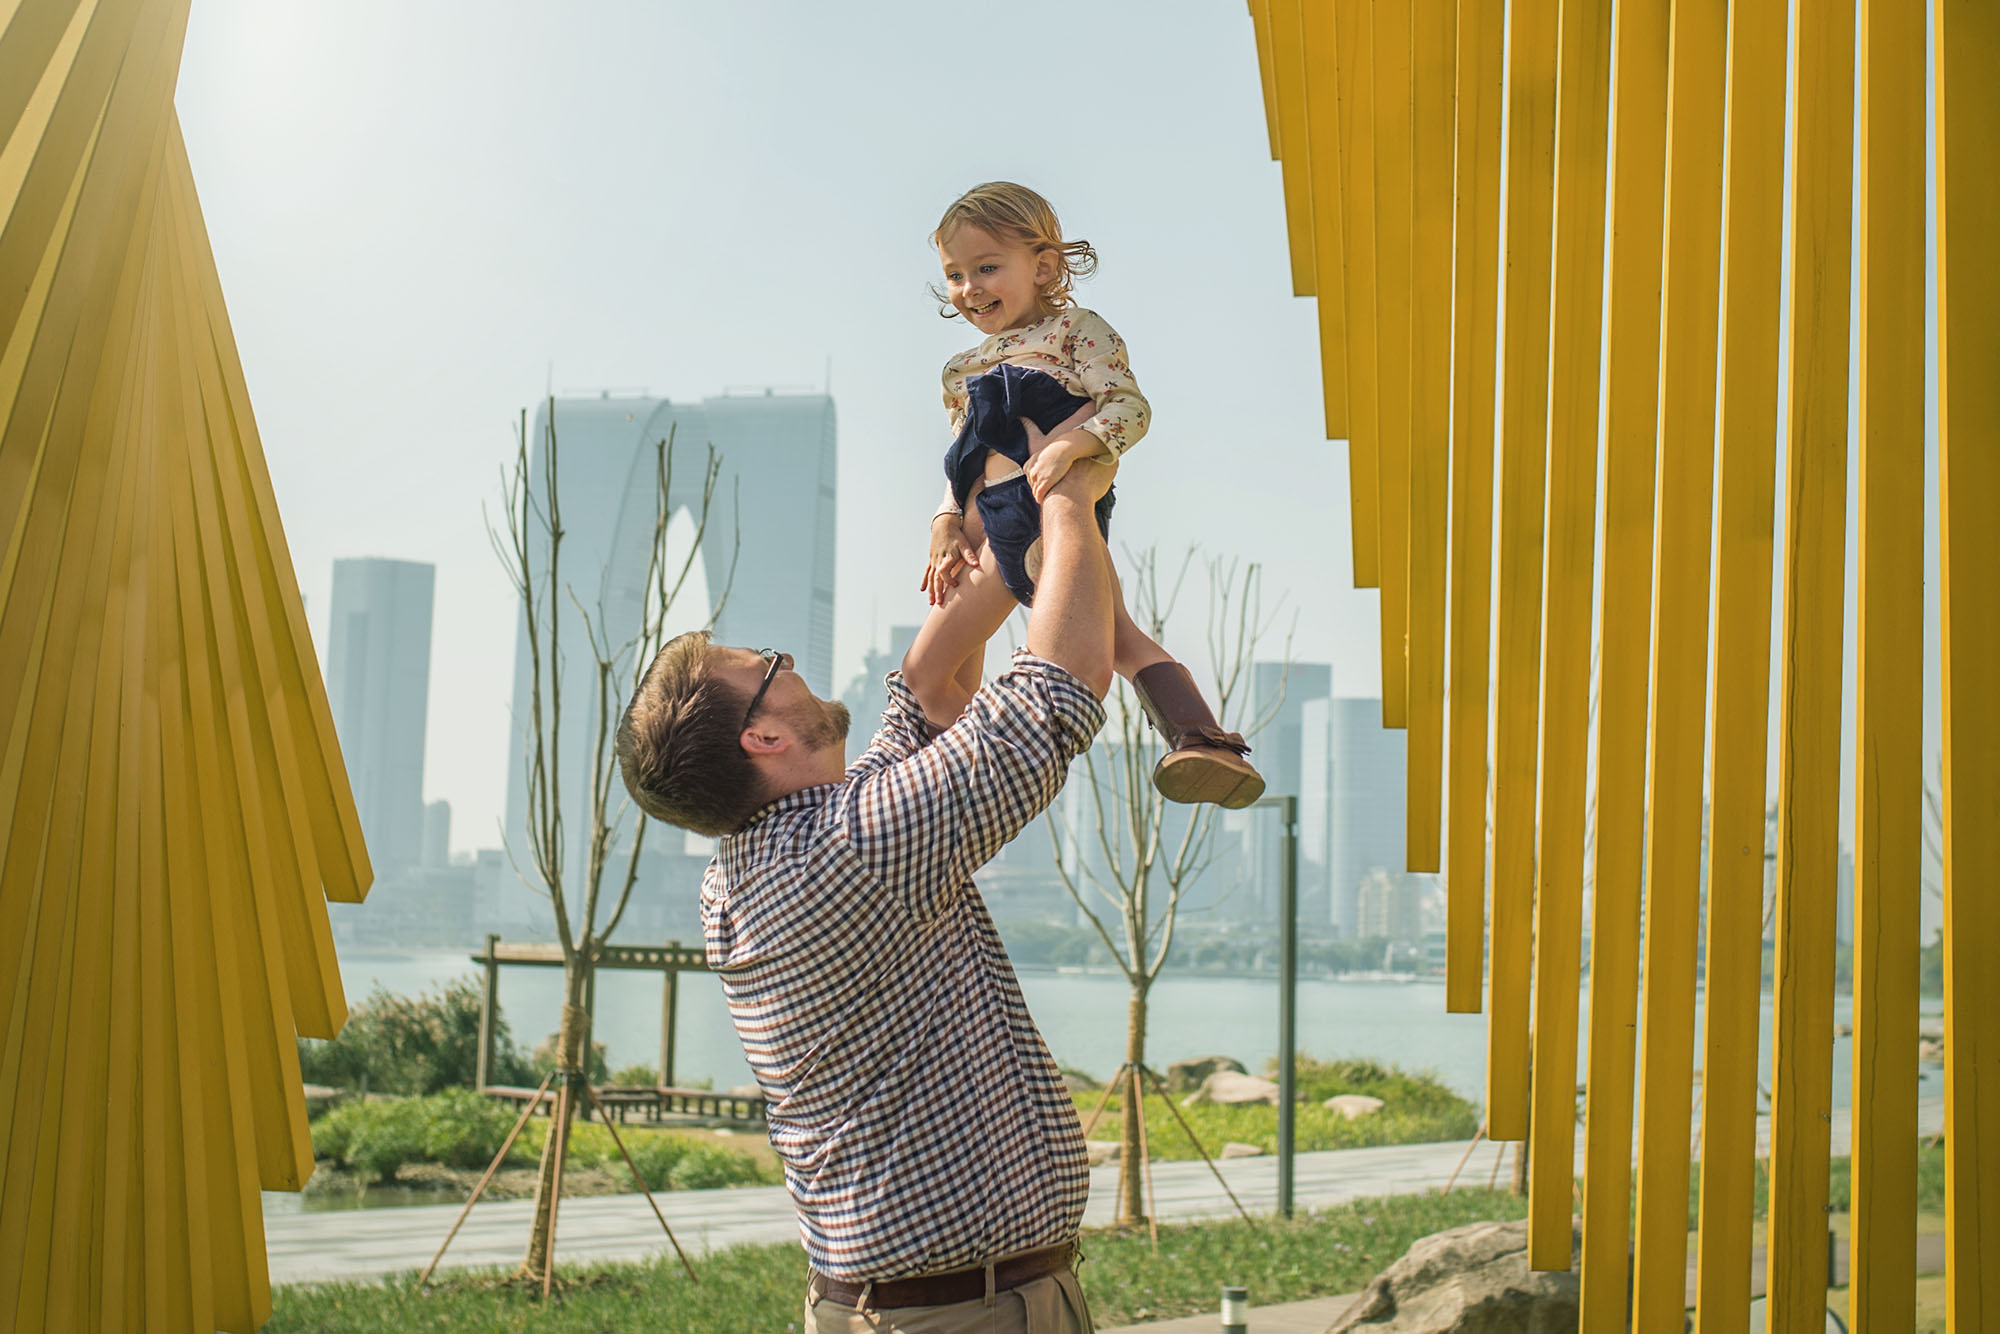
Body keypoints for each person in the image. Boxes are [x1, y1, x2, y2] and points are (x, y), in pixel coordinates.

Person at [615, 448, 1125, 1332]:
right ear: (764, 737)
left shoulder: (779, 858)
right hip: (961, 1314)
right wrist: (1069, 492)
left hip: (945, 1303)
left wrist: (997, 529)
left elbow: (925, 695)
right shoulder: (844, 855)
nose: (793, 666)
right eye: (771, 665)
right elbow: (1058, 690)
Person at [906, 181, 1265, 810]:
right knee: (938, 669)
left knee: (1096, 640)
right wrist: (943, 520)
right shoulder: (961, 370)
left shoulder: (1076, 332)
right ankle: (965, 786)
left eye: (988, 267)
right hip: (986, 530)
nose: (970, 289)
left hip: (1048, 513)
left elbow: (1129, 408)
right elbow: (964, 457)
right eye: (955, 275)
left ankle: (1196, 744)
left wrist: (1075, 447)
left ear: (1044, 266)